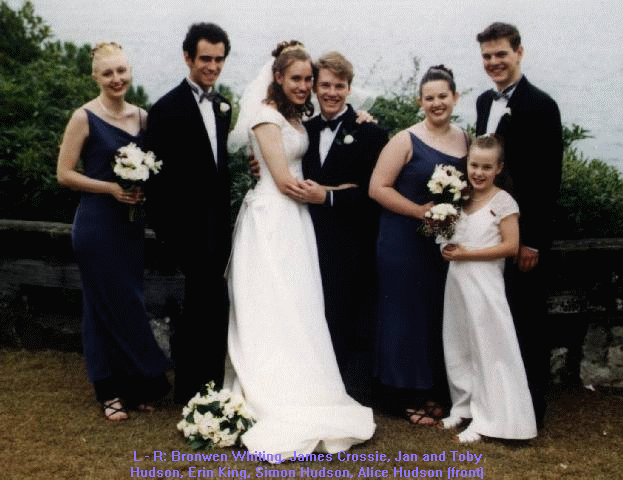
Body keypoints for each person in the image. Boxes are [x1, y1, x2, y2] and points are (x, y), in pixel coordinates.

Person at [225, 40, 375, 459]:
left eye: (309, 79)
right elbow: (285, 181)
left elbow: (305, 157)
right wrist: (333, 191)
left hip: (297, 221)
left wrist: (360, 119)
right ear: (277, 77)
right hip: (274, 218)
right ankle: (272, 386)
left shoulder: (298, 115)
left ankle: (309, 381)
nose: (305, 86)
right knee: (272, 301)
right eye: (297, 79)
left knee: (300, 302)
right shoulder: (265, 116)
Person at [57, 42, 171, 421]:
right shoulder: (84, 117)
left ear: (129, 70)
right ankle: (108, 391)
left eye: (121, 70)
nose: (116, 79)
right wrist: (110, 188)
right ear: (95, 77)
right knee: (99, 306)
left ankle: (134, 385)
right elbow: (65, 174)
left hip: (130, 227)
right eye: (108, 73)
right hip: (96, 225)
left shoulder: (143, 117)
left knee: (129, 302)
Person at [475, 22, 563, 427]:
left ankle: (530, 410)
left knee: (526, 320)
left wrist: (532, 242)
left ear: (519, 53)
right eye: (487, 56)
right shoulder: (481, 102)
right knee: (494, 317)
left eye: (500, 55)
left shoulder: (541, 106)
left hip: (522, 238)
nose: (493, 62)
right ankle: (496, 402)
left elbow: (548, 181)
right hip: (488, 232)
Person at [369, 65, 468, 426]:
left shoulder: (465, 139)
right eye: (430, 98)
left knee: (433, 315)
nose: (437, 103)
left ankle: (429, 389)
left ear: (455, 98)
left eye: (443, 96)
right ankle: (401, 395)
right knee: (403, 316)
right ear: (420, 102)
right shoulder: (405, 140)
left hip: (440, 245)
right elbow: (377, 187)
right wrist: (419, 212)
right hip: (402, 240)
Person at [145, 23, 232, 404]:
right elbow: (157, 180)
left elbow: (219, 167)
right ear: (188, 58)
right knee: (197, 307)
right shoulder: (166, 109)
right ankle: (190, 388)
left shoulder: (223, 105)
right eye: (205, 59)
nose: (212, 66)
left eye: (218, 59)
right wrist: (170, 235)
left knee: (213, 305)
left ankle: (211, 383)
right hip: (186, 230)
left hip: (218, 226)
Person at [302, 52, 388, 404]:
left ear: (350, 88)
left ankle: (351, 390)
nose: (332, 92)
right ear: (314, 87)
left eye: (339, 86)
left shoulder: (371, 133)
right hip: (306, 236)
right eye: (325, 85)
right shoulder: (301, 131)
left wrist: (329, 198)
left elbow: (372, 195)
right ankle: (313, 379)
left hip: (352, 241)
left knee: (348, 313)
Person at [440, 134, 537, 444]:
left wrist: (468, 254)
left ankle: (486, 418)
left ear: (498, 168)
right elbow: (446, 232)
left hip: (484, 284)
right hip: (457, 281)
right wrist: (445, 243)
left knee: (487, 349)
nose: (478, 173)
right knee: (458, 343)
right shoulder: (460, 196)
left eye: (486, 167)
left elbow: (511, 247)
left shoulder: (503, 201)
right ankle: (463, 405)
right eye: (473, 165)